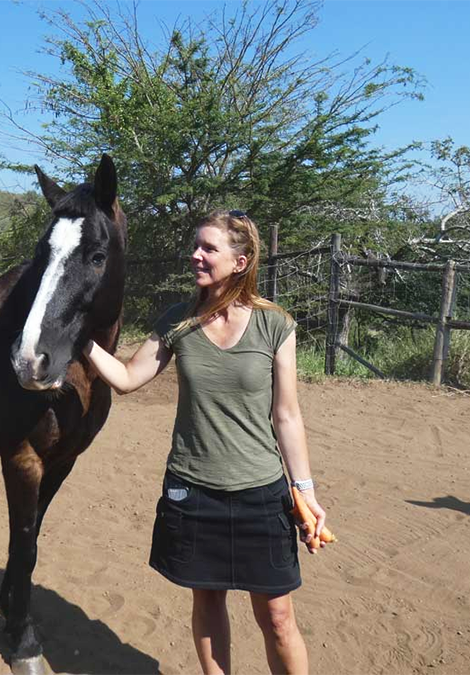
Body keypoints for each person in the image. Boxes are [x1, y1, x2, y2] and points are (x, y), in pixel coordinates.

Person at [83, 209, 328, 675]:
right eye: (195, 246)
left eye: (208, 248)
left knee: (277, 617)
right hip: (194, 491)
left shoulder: (275, 325)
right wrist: (82, 340)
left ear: (240, 261)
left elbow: (287, 415)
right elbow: (129, 378)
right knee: (208, 602)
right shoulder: (178, 321)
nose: (195, 255)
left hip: (262, 492)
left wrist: (306, 491)